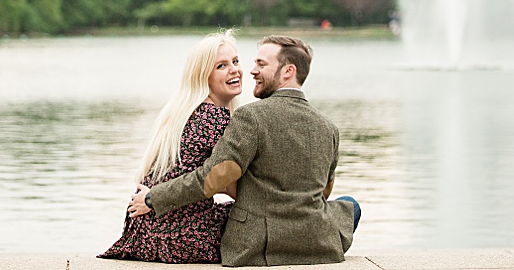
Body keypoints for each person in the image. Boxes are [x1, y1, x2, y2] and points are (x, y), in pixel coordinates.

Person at [128, 35, 360, 267]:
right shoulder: (329, 128)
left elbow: (213, 178)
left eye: (261, 64)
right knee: (350, 205)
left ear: (288, 71)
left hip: (259, 242)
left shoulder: (249, 117)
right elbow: (323, 191)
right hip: (314, 239)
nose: (251, 71)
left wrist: (152, 197)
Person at [98, 30, 243, 263]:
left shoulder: (184, 112)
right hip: (178, 237)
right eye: (222, 66)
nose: (234, 69)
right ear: (203, 75)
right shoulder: (216, 117)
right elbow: (226, 185)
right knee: (254, 217)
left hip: (144, 234)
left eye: (235, 62)